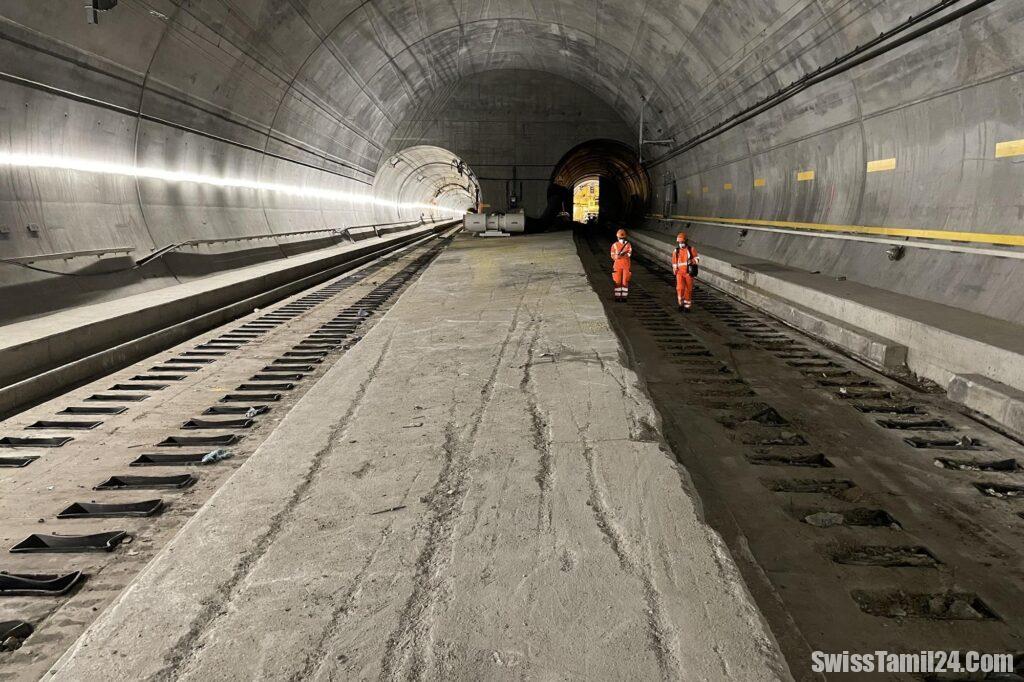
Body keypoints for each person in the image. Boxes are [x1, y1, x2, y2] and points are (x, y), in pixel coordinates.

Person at [671, 232, 699, 311]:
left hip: (688, 273)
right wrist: (675, 270)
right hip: (679, 273)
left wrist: (692, 261)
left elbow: (697, 259)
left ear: (686, 241)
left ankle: (687, 307)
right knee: (680, 288)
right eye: (679, 242)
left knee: (688, 290)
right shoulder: (676, 251)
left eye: (682, 242)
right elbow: (674, 262)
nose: (680, 244)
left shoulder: (691, 249)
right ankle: (680, 304)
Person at [610, 228, 632, 302]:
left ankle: (620, 297)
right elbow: (613, 255)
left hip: (619, 265)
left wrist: (618, 256)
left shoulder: (615, 245)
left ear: (617, 237)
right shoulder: (627, 245)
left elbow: (629, 254)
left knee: (619, 281)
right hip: (625, 265)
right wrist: (618, 256)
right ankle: (622, 297)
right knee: (621, 281)